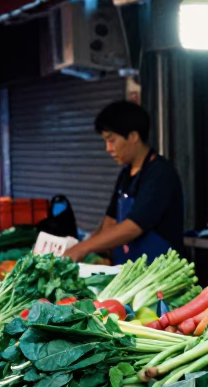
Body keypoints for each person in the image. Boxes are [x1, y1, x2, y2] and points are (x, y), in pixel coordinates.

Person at [64, 100, 183, 264]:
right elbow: (110, 220)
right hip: (126, 271)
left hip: (158, 276)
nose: (108, 148)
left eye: (111, 140)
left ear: (133, 136)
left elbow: (133, 226)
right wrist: (103, 255)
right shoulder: (126, 174)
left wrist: (83, 248)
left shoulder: (160, 174)